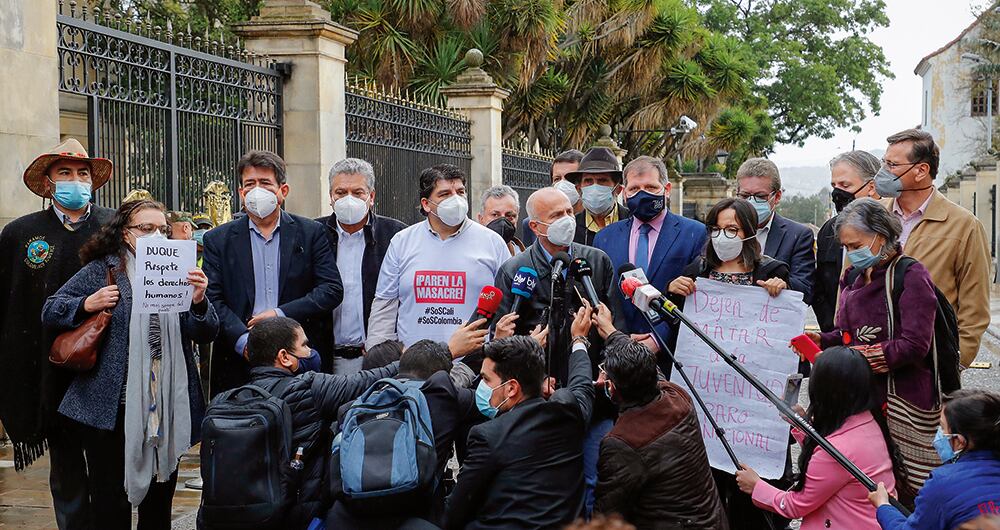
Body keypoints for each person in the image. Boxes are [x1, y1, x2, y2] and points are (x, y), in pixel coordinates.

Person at [41, 199, 218, 529]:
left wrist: (199, 301)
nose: (156, 236)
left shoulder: (179, 271)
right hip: (111, 409)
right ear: (125, 234)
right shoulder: (103, 269)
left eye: (163, 230)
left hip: (165, 405)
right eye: (146, 229)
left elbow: (205, 332)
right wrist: (87, 303)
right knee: (109, 502)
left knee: (159, 503)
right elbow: (51, 310)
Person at [0, 138, 114, 528]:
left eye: (82, 173)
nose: (75, 180)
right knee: (66, 472)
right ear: (48, 183)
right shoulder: (20, 234)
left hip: (107, 370)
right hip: (49, 370)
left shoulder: (115, 227)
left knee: (108, 471)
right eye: (64, 172)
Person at [493, 186, 617, 516]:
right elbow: (502, 342)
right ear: (535, 226)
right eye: (556, 216)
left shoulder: (595, 262)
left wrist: (604, 369)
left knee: (592, 481)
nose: (567, 220)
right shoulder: (515, 270)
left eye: (568, 212)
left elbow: (611, 327)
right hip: (536, 402)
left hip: (591, 397)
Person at [666, 197, 789, 530]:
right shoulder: (698, 271)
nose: (723, 237)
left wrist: (780, 289)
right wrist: (673, 291)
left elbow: (782, 331)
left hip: (753, 410)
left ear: (749, 233)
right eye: (717, 229)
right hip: (710, 403)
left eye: (732, 229)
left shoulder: (771, 271)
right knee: (709, 489)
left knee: (752, 497)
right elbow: (678, 328)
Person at [807, 198, 938, 491]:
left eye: (856, 246)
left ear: (881, 235)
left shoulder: (911, 274)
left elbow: (916, 344)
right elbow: (846, 332)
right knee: (861, 480)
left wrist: (858, 356)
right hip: (857, 397)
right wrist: (824, 339)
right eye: (847, 248)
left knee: (905, 483)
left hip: (899, 399)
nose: (852, 254)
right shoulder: (853, 276)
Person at [202, 150, 343, 396]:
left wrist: (280, 314)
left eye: (265, 183)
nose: (257, 190)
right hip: (238, 362)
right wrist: (245, 343)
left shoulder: (310, 234)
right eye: (250, 184)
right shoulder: (218, 240)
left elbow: (330, 290)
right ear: (241, 193)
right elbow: (213, 298)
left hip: (299, 359)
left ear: (283, 191)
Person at [238, 316, 400, 528]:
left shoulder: (234, 397)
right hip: (296, 515)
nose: (311, 351)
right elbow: (367, 380)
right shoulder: (307, 388)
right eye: (304, 345)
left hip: (244, 515)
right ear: (285, 357)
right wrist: (442, 352)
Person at [444, 307, 595, 530]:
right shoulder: (568, 414)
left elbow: (453, 513)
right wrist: (579, 339)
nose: (482, 387)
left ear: (511, 388)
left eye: (486, 380)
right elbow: (582, 385)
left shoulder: (487, 436)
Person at [735, 346, 904, 530]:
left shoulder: (837, 452)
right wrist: (801, 422)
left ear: (822, 393)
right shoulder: (868, 421)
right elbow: (831, 452)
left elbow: (796, 505)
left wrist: (756, 486)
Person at [326, 339, 480, 528]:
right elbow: (494, 401)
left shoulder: (352, 407)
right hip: (419, 515)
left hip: (350, 516)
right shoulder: (444, 397)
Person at [878, 129, 990, 367]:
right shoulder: (872, 217)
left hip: (930, 363)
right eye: (884, 162)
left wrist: (956, 360)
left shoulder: (963, 226)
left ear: (921, 171)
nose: (883, 171)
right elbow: (847, 287)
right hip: (873, 359)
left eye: (893, 164)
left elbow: (975, 307)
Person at [365, 164, 510, 349]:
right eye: (445, 194)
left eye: (460, 192)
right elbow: (385, 307)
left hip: (471, 366)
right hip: (413, 366)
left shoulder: (492, 243)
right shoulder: (402, 242)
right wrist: (377, 356)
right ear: (426, 204)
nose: (455, 199)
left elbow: (507, 306)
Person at [594, 331, 728, 529]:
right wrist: (613, 334)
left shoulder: (621, 442)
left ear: (612, 388)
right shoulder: (677, 396)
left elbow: (607, 516)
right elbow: (649, 370)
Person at [594, 156, 706, 362]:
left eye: (651, 187)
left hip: (671, 356)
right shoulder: (605, 237)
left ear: (667, 189)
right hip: (617, 354)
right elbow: (601, 296)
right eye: (635, 189)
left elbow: (696, 299)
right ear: (624, 193)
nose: (642, 194)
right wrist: (619, 339)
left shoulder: (694, 232)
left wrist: (657, 340)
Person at [316, 158, 407, 375]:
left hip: (376, 359)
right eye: (340, 192)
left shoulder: (396, 235)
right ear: (331, 197)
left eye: (357, 193)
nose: (348, 199)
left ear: (371, 196)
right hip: (324, 359)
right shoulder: (314, 233)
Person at [870, 389, 1000, 530]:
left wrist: (883, 506)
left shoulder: (943, 483)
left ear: (959, 441)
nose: (939, 433)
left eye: (942, 427)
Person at [813, 150, 881, 332]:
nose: (837, 192)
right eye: (834, 185)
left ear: (871, 187)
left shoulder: (892, 229)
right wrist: (832, 330)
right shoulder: (828, 231)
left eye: (845, 185)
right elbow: (821, 288)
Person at [734, 158, 816, 302]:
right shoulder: (720, 231)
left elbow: (806, 289)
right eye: (745, 196)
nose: (751, 203)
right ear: (737, 193)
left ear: (777, 196)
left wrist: (784, 285)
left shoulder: (797, 236)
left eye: (760, 196)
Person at [563, 147, 631, 246]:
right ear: (578, 189)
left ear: (618, 189)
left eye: (602, 180)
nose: (594, 187)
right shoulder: (570, 228)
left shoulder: (632, 222)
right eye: (588, 181)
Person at [522, 149, 584, 245]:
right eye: (557, 179)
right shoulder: (534, 224)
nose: (562, 183)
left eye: (570, 178)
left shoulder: (593, 222)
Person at [477, 185, 525, 255]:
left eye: (509, 216)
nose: (503, 222)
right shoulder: (469, 256)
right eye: (495, 215)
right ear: (481, 219)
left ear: (517, 218)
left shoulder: (526, 260)